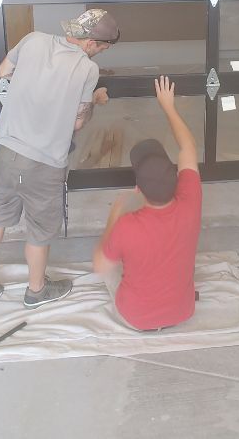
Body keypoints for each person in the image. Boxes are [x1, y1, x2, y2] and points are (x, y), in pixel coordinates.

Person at [0, 9, 120, 308]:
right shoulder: (87, 70)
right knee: (39, 228)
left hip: (8, 150)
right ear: (91, 43)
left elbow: (3, 72)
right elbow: (77, 123)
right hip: (44, 161)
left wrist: (31, 86)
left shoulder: (33, 39)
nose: (99, 54)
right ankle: (36, 290)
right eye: (102, 48)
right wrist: (96, 101)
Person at [92, 75, 202, 331]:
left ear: (138, 189)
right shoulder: (191, 200)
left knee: (110, 263)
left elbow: (99, 266)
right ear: (176, 179)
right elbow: (188, 147)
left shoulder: (127, 225)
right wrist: (168, 106)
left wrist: (114, 216)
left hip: (135, 318)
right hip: (182, 311)